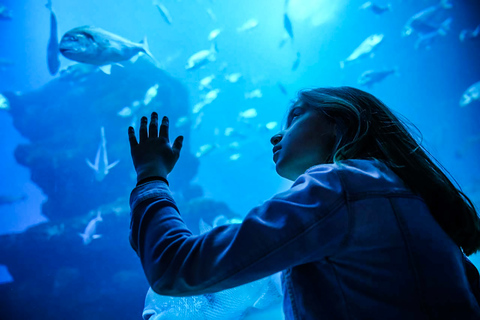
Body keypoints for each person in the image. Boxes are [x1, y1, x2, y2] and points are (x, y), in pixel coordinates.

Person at [127, 86, 480, 319]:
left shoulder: (338, 187)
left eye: (295, 116)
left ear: (342, 122)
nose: (276, 134)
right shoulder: (422, 206)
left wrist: (150, 177)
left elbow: (175, 267)